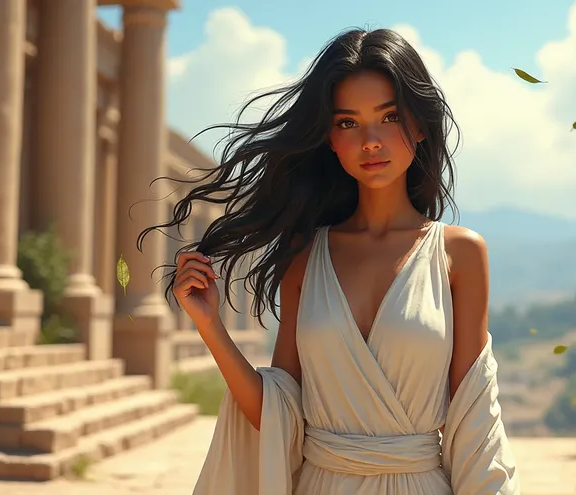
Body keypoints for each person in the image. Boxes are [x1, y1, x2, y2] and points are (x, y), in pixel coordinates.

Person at [141, 27, 519, 494]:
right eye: (347, 123)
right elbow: (279, 416)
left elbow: (475, 419)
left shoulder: (458, 254)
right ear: (329, 139)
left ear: (418, 126)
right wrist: (209, 325)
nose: (370, 140)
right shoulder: (305, 257)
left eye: (389, 117)